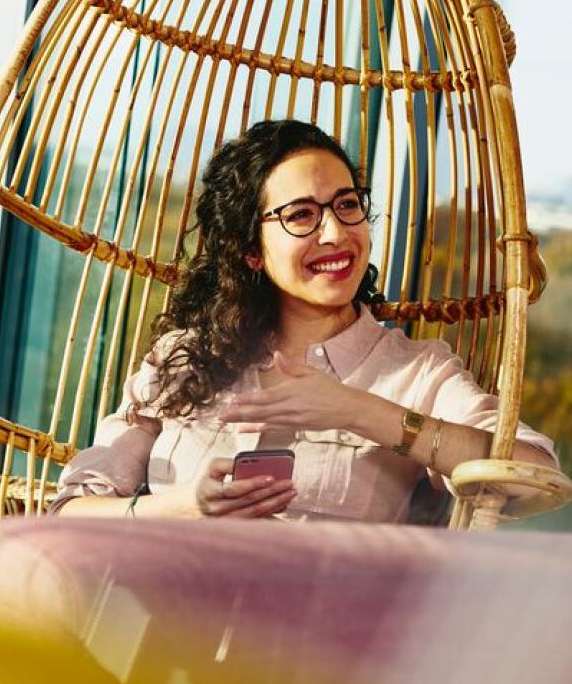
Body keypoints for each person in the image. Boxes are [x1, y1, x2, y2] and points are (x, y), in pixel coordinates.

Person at [52, 119, 557, 522]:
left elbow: (535, 477)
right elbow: (69, 514)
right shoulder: (184, 358)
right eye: (301, 215)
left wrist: (357, 411)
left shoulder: (418, 373)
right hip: (151, 629)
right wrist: (180, 508)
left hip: (325, 645)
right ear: (251, 249)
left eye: (347, 205)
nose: (336, 233)